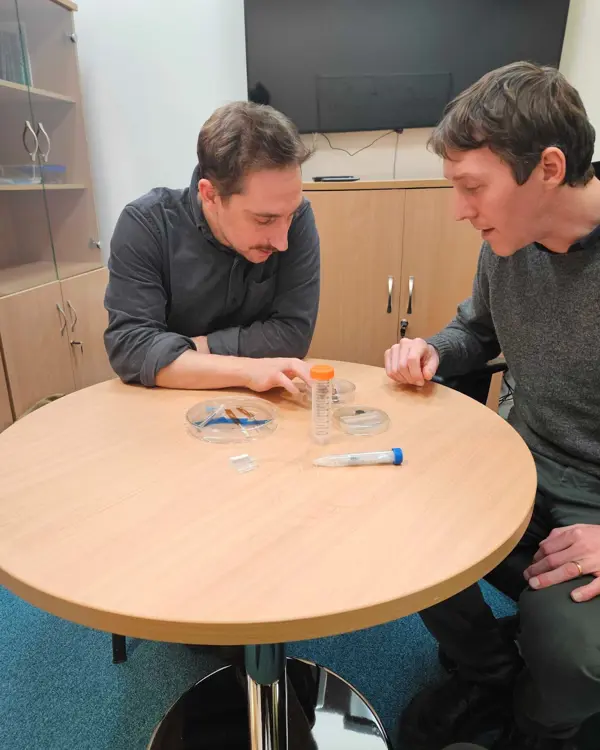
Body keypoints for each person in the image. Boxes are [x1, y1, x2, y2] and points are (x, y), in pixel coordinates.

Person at [385, 62, 600, 750]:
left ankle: (539, 725)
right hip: (517, 460)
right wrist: (432, 351)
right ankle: (488, 673)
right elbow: (475, 332)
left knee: (568, 649)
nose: (459, 209)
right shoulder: (506, 246)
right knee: (398, 522)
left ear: (548, 168)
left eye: (472, 187)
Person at [104, 101, 319, 394]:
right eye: (264, 220)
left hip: (270, 407)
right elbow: (132, 348)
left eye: (289, 215)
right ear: (210, 195)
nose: (283, 241)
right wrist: (247, 370)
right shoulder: (146, 225)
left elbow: (294, 334)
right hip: (169, 408)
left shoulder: (298, 216)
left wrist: (192, 349)